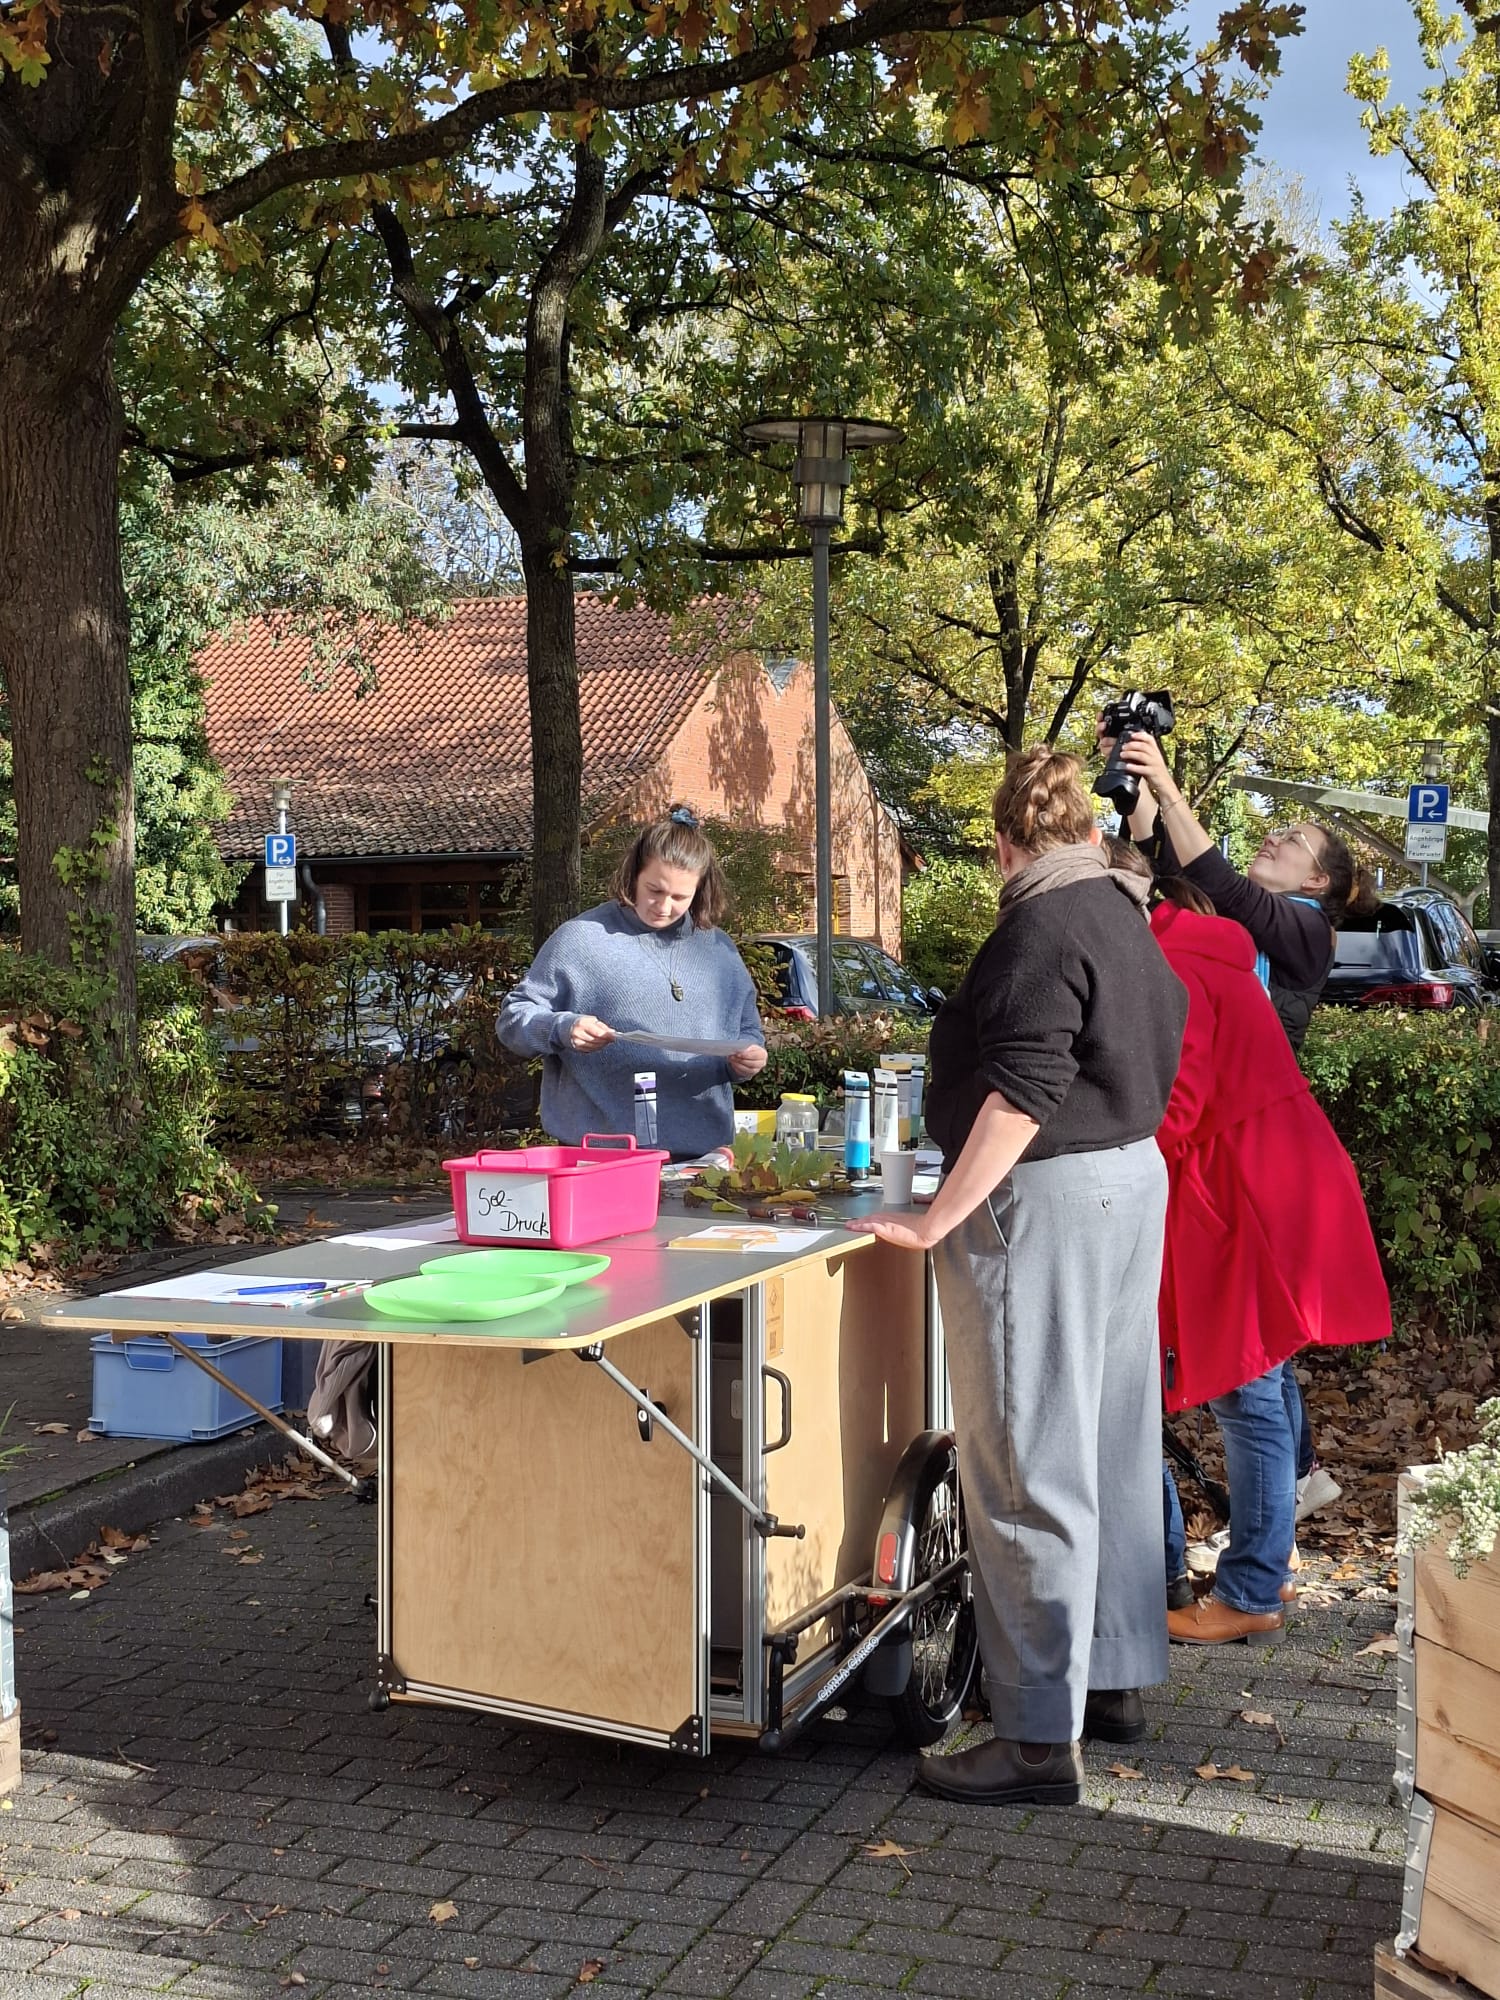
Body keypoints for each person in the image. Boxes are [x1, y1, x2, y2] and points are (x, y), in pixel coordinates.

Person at [864, 749, 1187, 1804]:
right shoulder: (1124, 916)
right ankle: (1114, 1677)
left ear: (1004, 846)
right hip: (1130, 1183)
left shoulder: (1037, 928)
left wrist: (935, 1215)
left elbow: (1022, 1091)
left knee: (1026, 1463)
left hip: (1043, 1202)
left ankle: (1039, 1738)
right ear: (1090, 835)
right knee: (1107, 1441)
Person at [1106, 723, 1378, 1522]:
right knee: (1260, 1339)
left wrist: (1169, 780)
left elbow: (1219, 886)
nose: (1274, 834)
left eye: (1292, 837)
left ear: (1321, 880)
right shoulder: (1227, 934)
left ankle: (1267, 1544)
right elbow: (1159, 876)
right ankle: (1292, 1486)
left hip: (1250, 1154)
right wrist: (1142, 792)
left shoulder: (1303, 931)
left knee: (1249, 1356)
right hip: (1230, 1151)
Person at [1145, 875, 1391, 1643]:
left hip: (1245, 1187)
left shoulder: (1175, 959)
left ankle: (1250, 1592)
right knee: (1263, 1377)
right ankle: (1266, 1568)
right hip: (1271, 1174)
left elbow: (1177, 1107)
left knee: (1244, 1389)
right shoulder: (1207, 948)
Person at [497, 807, 767, 1158]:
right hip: (600, 1157)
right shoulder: (581, 939)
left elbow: (748, 1031)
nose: (663, 906)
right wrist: (563, 1027)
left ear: (700, 891)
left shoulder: (720, 951)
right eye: (654, 890)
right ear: (633, 874)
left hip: (705, 1158)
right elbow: (512, 1020)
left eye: (680, 897)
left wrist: (748, 1059)